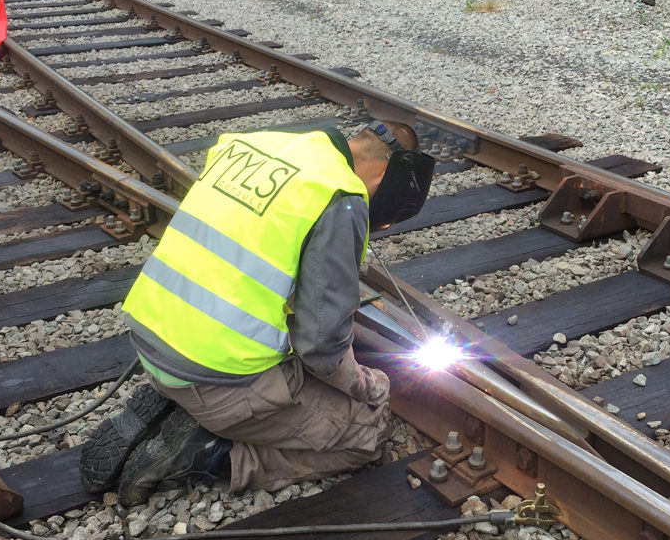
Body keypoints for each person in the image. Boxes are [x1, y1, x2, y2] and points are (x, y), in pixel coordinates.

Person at [80, 119, 432, 505]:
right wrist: (364, 383)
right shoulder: (340, 193)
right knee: (369, 432)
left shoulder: (255, 145)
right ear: (381, 175)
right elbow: (320, 346)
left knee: (301, 380)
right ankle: (214, 454)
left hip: (153, 340)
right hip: (218, 377)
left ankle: (189, 408)